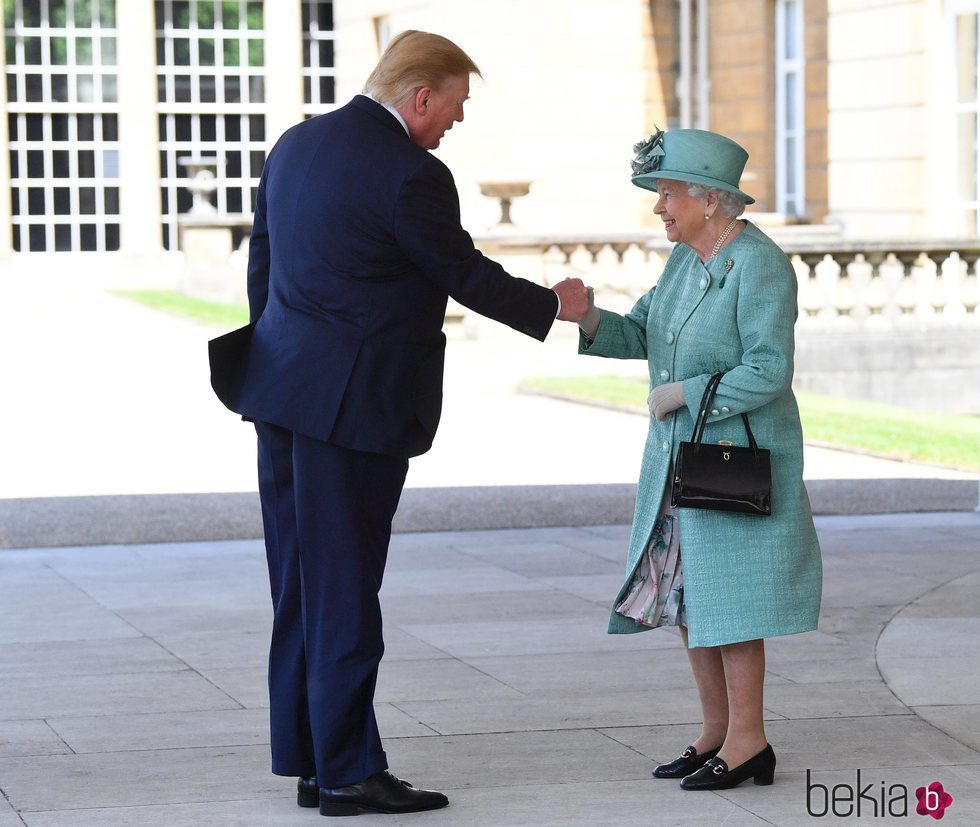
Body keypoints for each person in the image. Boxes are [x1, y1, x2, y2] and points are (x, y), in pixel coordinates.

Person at [208, 30, 589, 817]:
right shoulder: (411, 173)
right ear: (421, 96)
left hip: (281, 396)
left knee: (302, 588)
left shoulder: (296, 144)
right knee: (345, 588)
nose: (455, 122)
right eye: (455, 106)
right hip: (353, 412)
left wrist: (286, 361)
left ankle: (316, 759)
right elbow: (462, 272)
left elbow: (263, 271)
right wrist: (556, 306)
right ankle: (349, 772)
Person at [570, 128, 822, 791]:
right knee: (690, 597)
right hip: (681, 461)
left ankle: (750, 740)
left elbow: (769, 369)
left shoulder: (761, 264)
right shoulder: (684, 262)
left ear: (710, 200)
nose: (658, 207)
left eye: (667, 193)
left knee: (735, 602)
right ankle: (716, 731)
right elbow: (642, 331)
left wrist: (688, 392)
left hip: (735, 459)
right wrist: (589, 317)